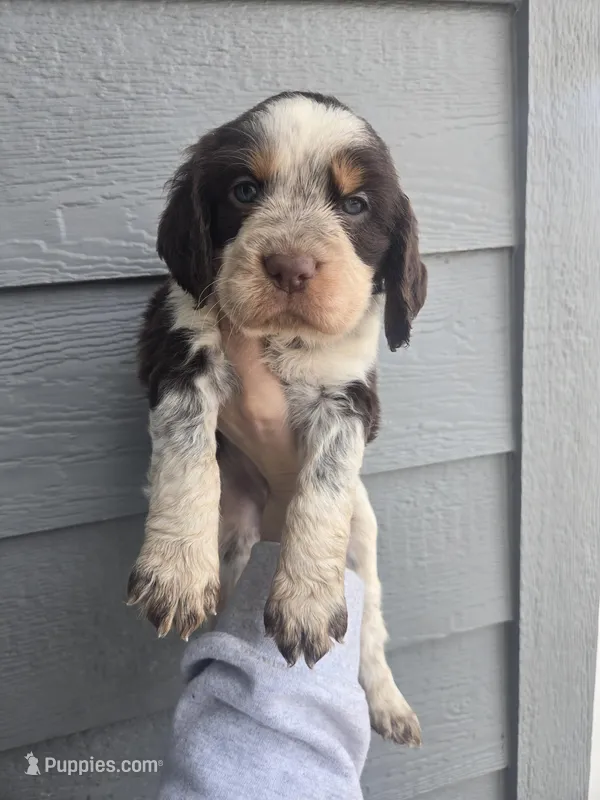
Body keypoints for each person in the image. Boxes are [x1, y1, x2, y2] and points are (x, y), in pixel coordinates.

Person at [157, 323, 371, 800]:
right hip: (227, 488)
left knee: (360, 528)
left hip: (291, 497)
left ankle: (374, 669)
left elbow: (353, 408)